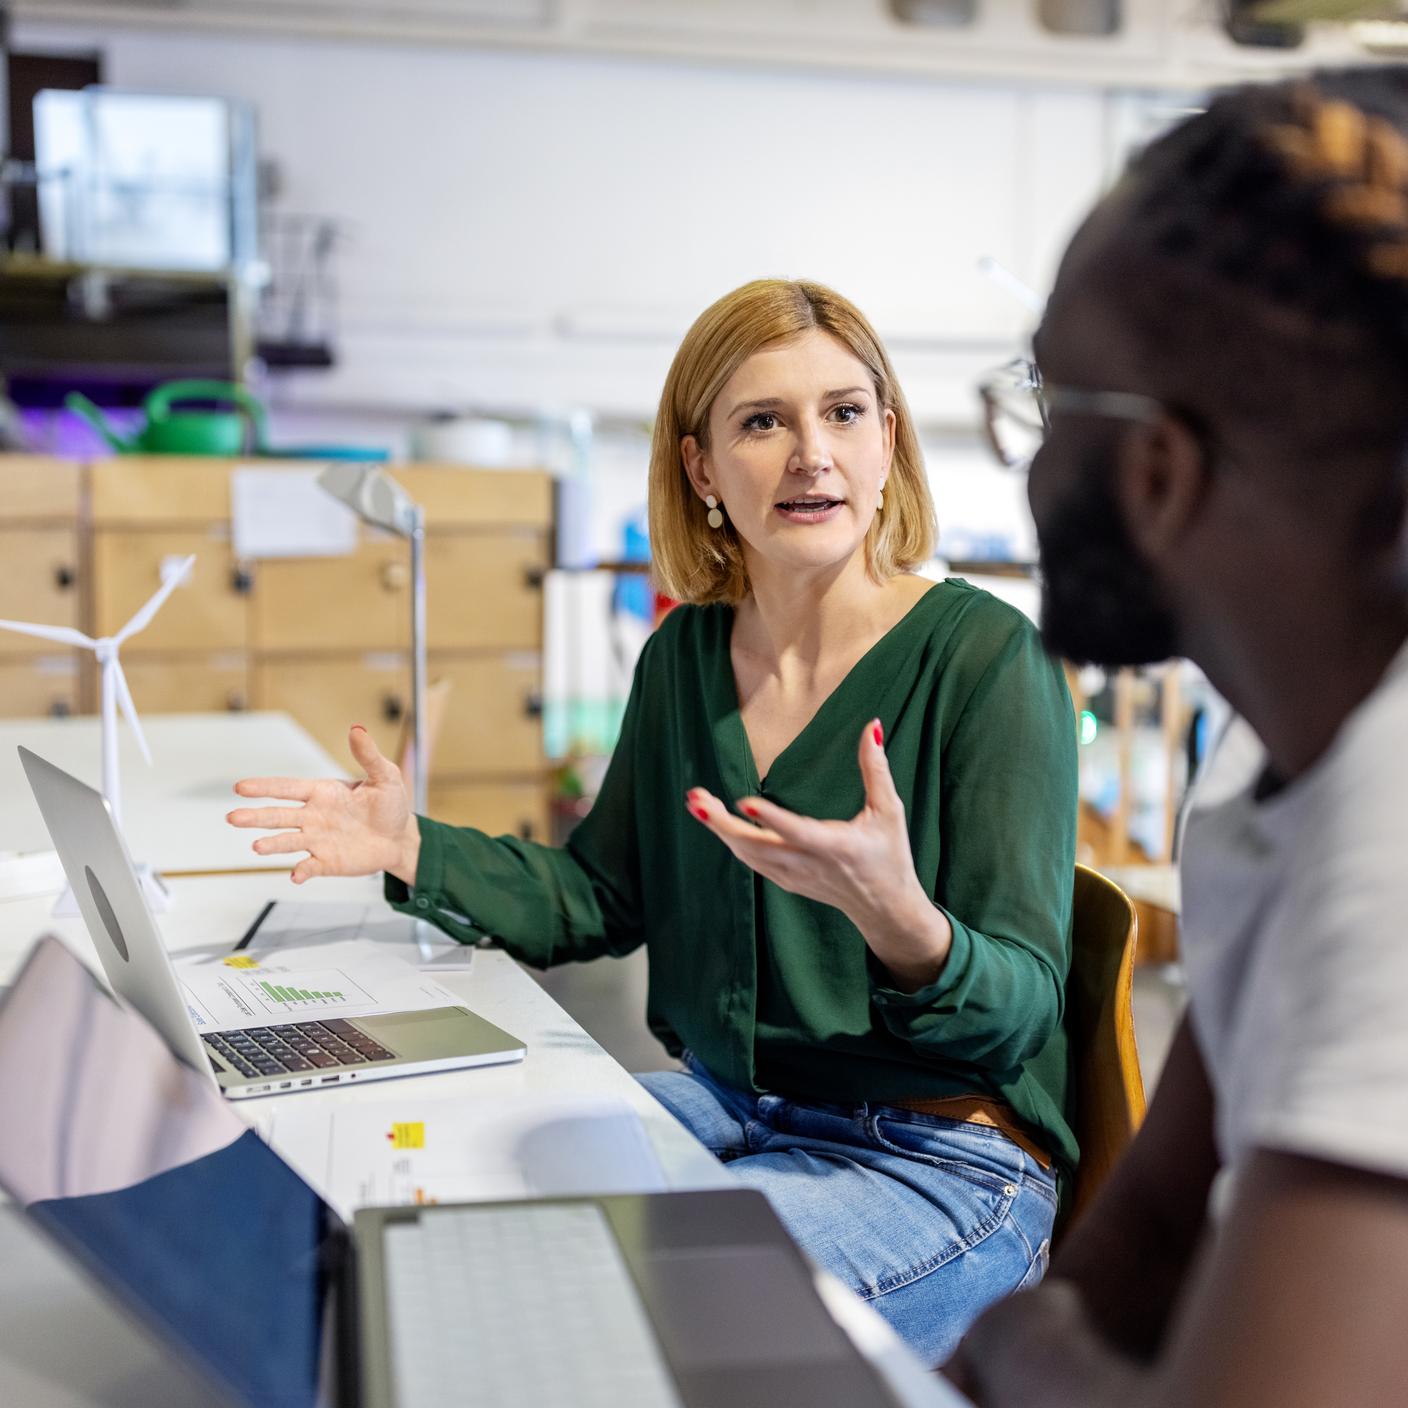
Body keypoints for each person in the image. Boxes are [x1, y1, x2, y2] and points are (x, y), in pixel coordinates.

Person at [228, 278, 1078, 1365]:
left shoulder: (986, 660)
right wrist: (411, 846)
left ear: (886, 445)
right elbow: (602, 893)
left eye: (844, 413)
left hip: (932, 1157)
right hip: (730, 1104)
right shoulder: (684, 656)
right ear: (701, 469)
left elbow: (1019, 1010)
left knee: (598, 1320)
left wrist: (904, 922)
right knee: (447, 1217)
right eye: (762, 422)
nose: (811, 452)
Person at [953, 68, 1408, 1408]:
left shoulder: (1395, 830)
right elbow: (1154, 1219)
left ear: (1157, 473)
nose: (1028, 466)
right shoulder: (1276, 782)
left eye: (1047, 401)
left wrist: (1015, 1346)